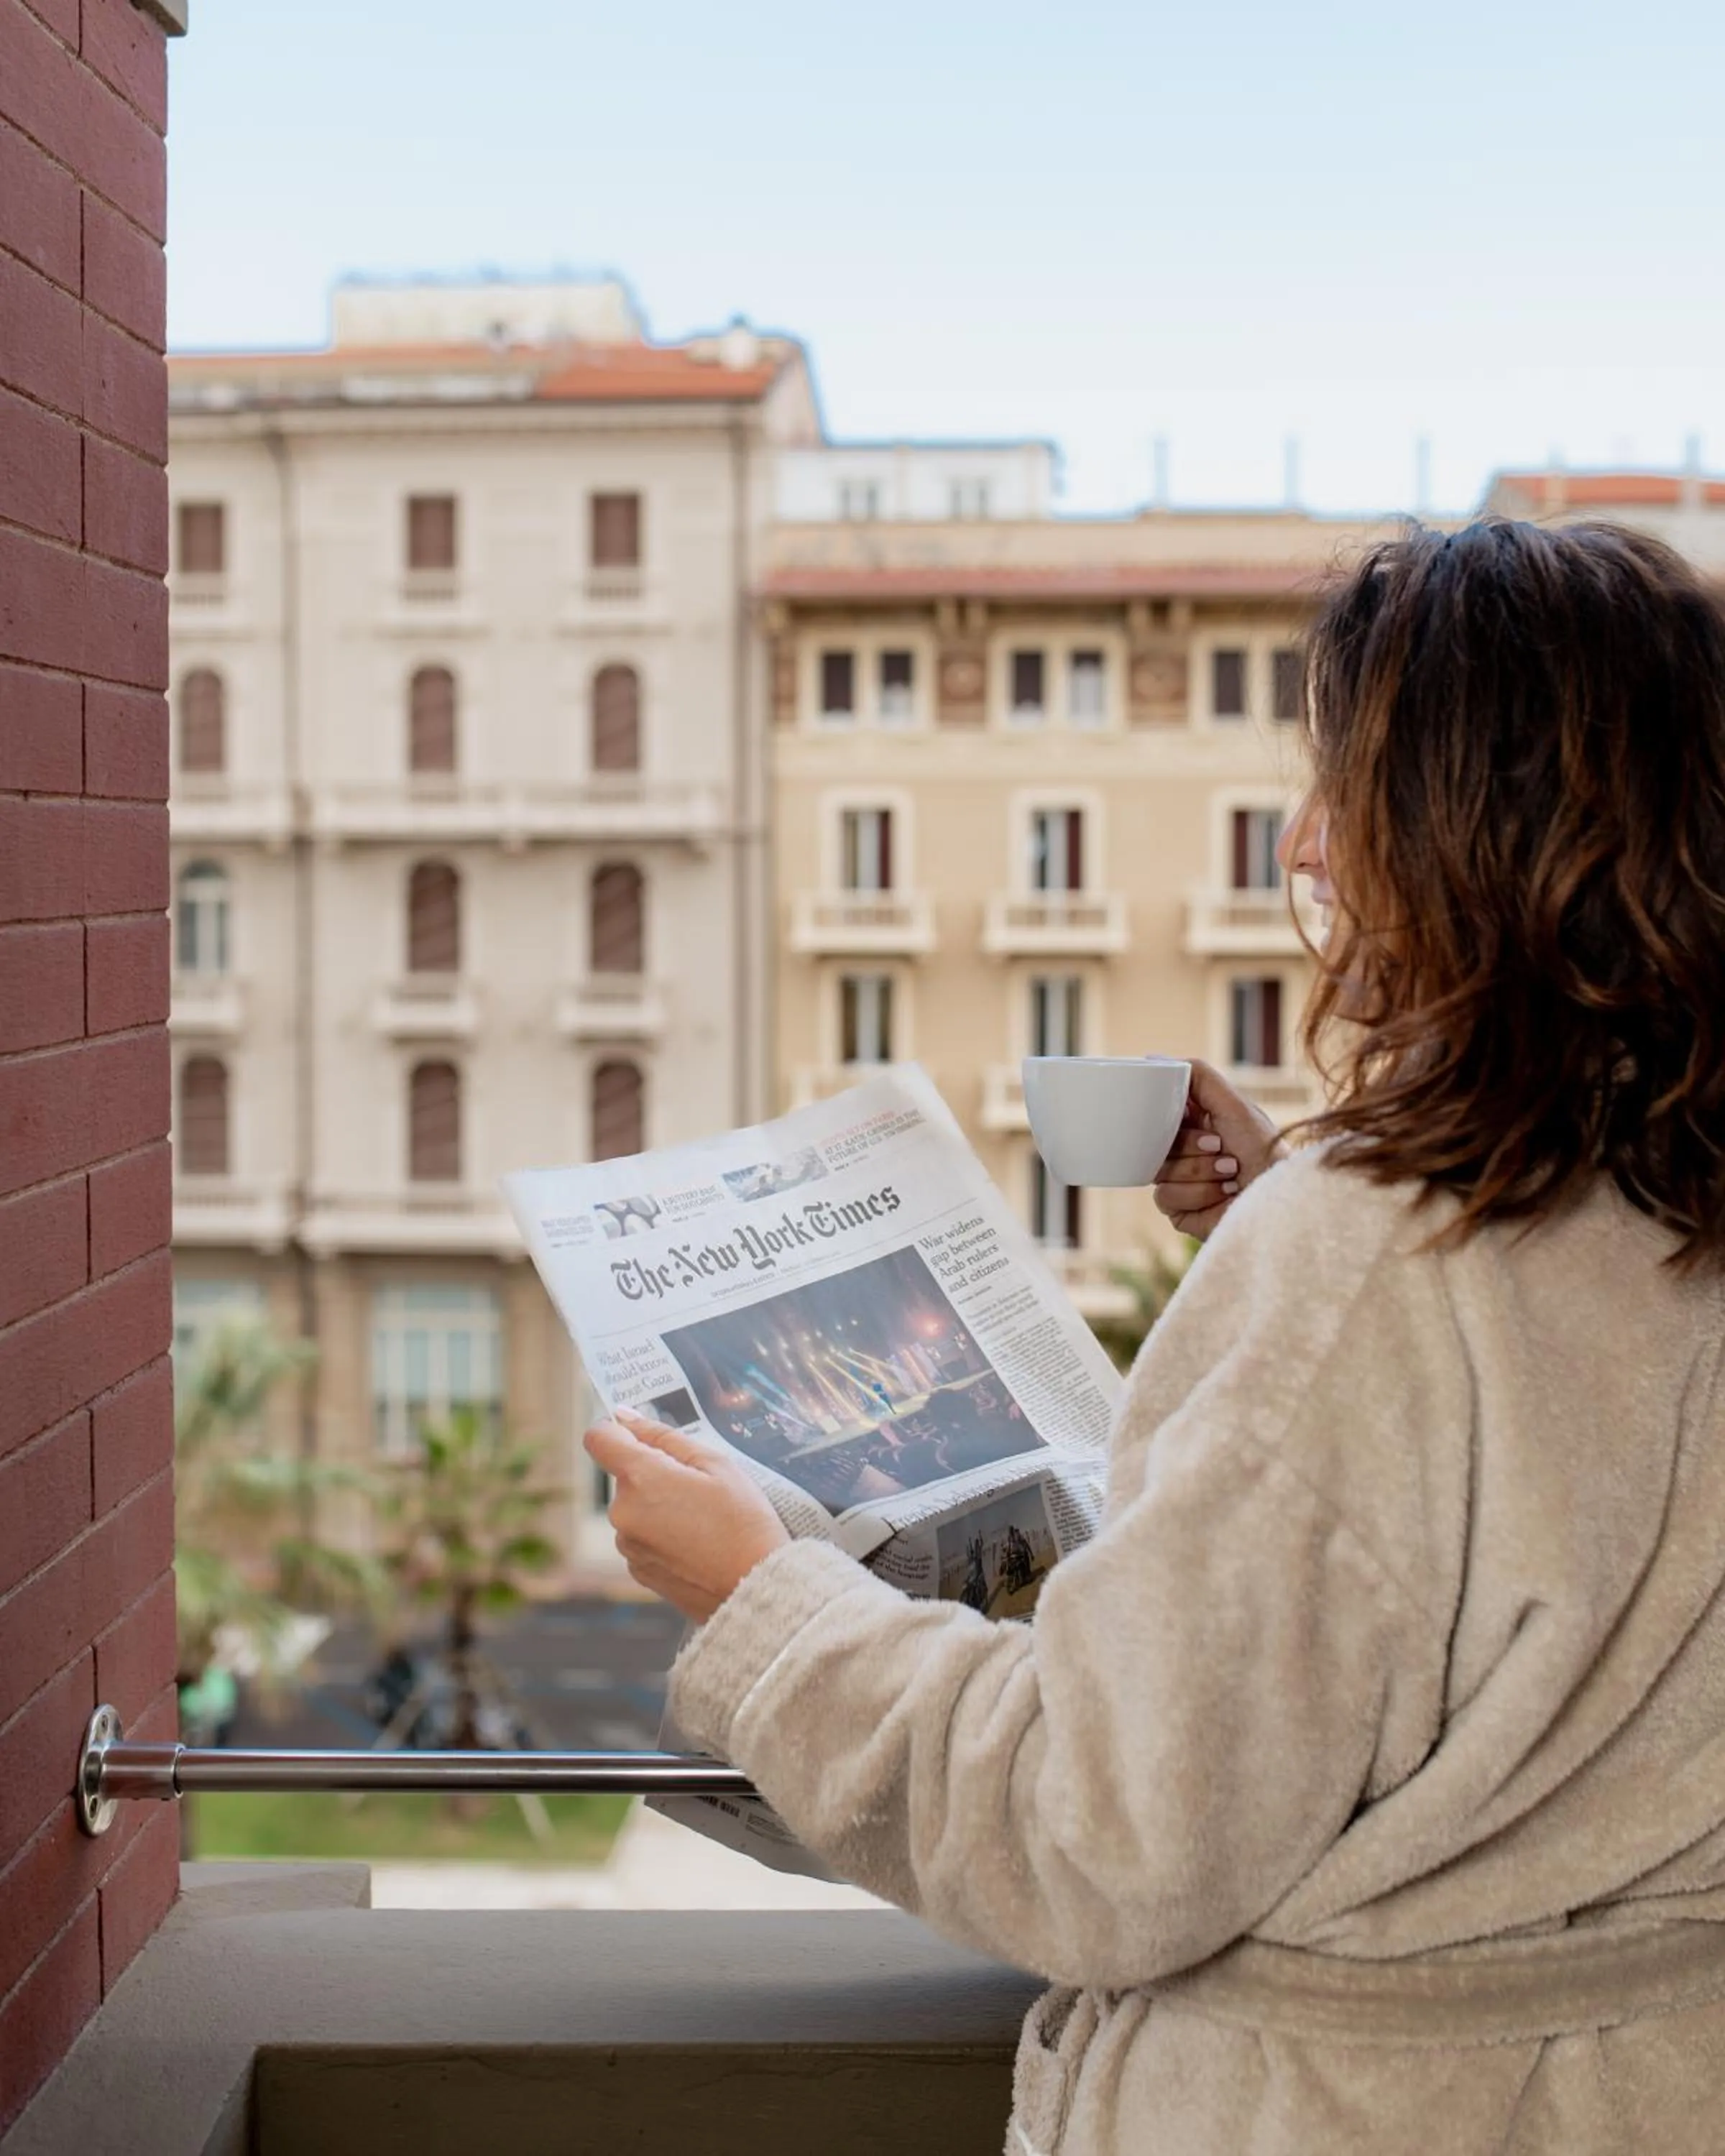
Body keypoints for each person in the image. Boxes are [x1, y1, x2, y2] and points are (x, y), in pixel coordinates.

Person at [586, 519, 1725, 2155]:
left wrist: (761, 1600)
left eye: (1354, 783)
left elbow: (1105, 1836)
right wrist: (1289, 1218)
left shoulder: (1365, 1266)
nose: (1307, 838)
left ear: (1481, 834)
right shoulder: (1654, 1177)